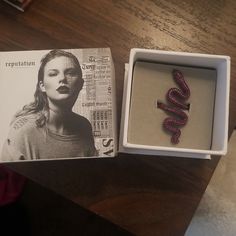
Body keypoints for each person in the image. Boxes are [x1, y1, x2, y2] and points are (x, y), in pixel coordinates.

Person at [1, 49, 97, 161]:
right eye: (53, 74)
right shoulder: (23, 131)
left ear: (80, 84)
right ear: (42, 86)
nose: (62, 79)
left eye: (70, 73)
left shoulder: (84, 126)